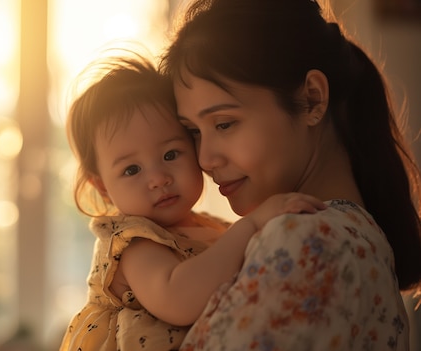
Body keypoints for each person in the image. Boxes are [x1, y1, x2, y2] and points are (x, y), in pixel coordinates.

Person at [157, 0, 421, 349]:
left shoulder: (307, 239)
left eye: (224, 123)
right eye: (193, 131)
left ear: (312, 99)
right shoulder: (357, 238)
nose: (205, 158)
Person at [59, 53, 326, 351]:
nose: (158, 178)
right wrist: (251, 224)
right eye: (131, 170)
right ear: (103, 187)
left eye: (171, 154)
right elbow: (179, 299)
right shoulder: (133, 243)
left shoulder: (210, 228)